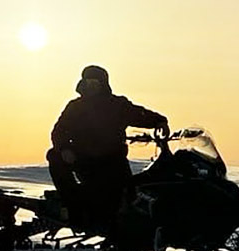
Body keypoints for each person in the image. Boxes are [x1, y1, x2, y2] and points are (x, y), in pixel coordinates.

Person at [48, 64, 168, 232]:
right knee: (54, 156)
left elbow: (139, 114)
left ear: (103, 84)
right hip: (84, 161)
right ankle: (73, 207)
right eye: (88, 82)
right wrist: (64, 149)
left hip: (112, 162)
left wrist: (160, 121)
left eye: (95, 82)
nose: (91, 86)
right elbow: (59, 131)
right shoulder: (75, 107)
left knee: (131, 197)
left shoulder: (117, 105)